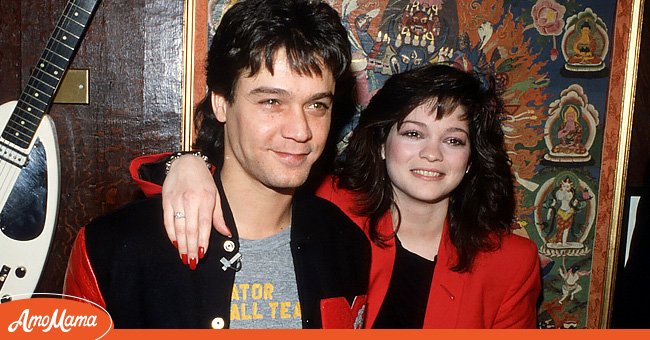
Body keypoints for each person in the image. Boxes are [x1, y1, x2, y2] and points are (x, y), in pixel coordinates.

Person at [133, 64, 542, 328]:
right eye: (414, 133)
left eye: (454, 140)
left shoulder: (509, 264)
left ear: (472, 157)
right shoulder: (331, 209)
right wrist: (187, 162)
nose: (432, 154)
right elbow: (244, 176)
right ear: (383, 142)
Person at [63, 0, 371, 329]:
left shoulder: (346, 245)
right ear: (222, 103)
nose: (300, 130)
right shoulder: (112, 249)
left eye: (316, 105)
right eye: (271, 101)